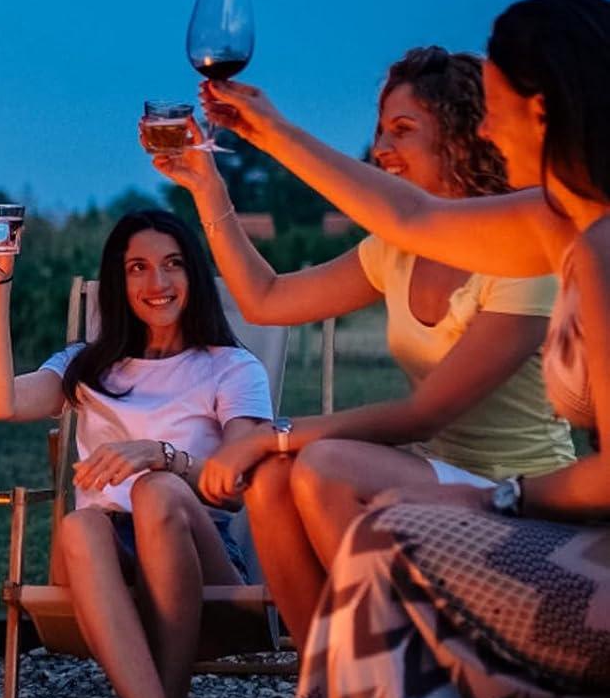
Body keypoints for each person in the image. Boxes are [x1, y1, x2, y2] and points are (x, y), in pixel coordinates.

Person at [194, 0, 610, 698]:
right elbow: (401, 217)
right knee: (323, 491)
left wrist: (500, 495)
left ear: (545, 109)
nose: (490, 115)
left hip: (553, 519)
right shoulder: (560, 224)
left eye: (499, 98)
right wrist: (257, 136)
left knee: (368, 516)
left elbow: (457, 422)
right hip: (481, 492)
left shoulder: (592, 247)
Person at [153, 47, 573, 648]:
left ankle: (385, 679)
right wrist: (206, 184)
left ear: (463, 138)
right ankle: (328, 690)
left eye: (404, 130)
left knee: (321, 465)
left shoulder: (526, 261)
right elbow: (266, 300)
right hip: (439, 477)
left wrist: (271, 435)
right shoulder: (394, 251)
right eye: (379, 131)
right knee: (271, 484)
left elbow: (425, 414)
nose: (381, 149)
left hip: (524, 495)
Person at [0, 206, 272, 698]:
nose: (155, 283)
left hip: (200, 554)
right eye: (138, 268)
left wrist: (158, 457)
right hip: (101, 567)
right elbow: (1, 403)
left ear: (193, 275)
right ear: (117, 280)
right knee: (82, 522)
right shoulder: (87, 365)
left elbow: (237, 482)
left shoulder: (231, 367)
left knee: (155, 491)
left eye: (172, 265)